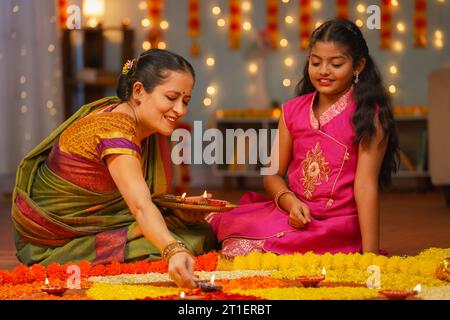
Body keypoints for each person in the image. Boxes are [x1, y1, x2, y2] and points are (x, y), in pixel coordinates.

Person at [11, 49, 216, 289]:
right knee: (183, 242)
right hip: (60, 241)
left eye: (186, 101)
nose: (180, 110)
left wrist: (175, 209)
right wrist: (173, 249)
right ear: (138, 91)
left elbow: (138, 197)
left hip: (101, 222)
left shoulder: (137, 122)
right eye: (171, 98)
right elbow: (140, 206)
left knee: (197, 229)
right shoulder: (115, 130)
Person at [208, 19, 399, 258]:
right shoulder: (292, 111)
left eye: (336, 64)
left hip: (336, 224)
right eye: (315, 62)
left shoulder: (369, 116)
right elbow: (272, 174)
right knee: (226, 223)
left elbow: (365, 186)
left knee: (247, 250)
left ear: (358, 66)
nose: (323, 71)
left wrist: (370, 256)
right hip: (293, 214)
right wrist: (290, 203)